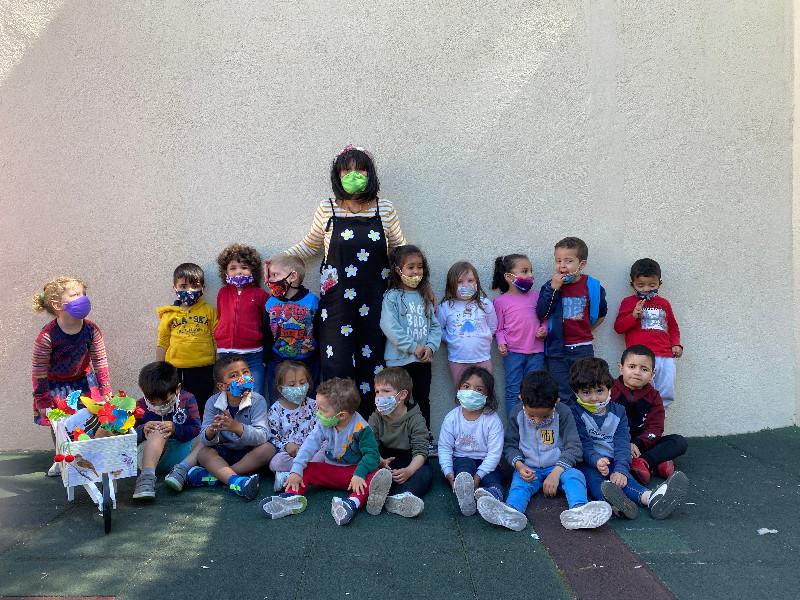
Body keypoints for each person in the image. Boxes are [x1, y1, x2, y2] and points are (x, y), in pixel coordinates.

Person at [280, 145, 406, 406]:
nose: (353, 175)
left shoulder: (385, 209)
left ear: (370, 173)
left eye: (360, 170)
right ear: (337, 175)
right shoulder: (327, 208)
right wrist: (280, 260)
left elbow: (401, 252)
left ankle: (371, 423)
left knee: (374, 364)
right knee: (336, 363)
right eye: (346, 170)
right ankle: (337, 424)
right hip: (337, 306)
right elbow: (310, 245)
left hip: (376, 303)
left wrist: (419, 286)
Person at [477, 371, 612, 531]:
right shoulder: (516, 413)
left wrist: (556, 473)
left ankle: (579, 510)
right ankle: (512, 511)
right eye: (531, 415)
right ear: (521, 400)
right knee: (519, 484)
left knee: (575, 476)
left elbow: (574, 447)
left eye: (544, 416)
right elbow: (510, 446)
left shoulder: (563, 412)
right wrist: (520, 465)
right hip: (529, 468)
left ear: (556, 402)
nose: (537, 421)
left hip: (558, 467)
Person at [569, 357, 688, 520]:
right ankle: (613, 504)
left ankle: (651, 498)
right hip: (588, 461)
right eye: (586, 392)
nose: (594, 398)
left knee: (625, 480)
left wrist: (621, 469)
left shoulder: (618, 411)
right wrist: (596, 460)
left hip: (614, 459)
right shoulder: (574, 412)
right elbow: (582, 444)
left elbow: (622, 443)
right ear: (576, 392)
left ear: (609, 388)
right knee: (594, 480)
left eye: (599, 391)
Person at [259, 377, 383, 526]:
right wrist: (296, 470)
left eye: (322, 410)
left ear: (341, 415)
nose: (318, 413)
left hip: (353, 476)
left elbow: (372, 455)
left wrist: (359, 474)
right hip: (330, 471)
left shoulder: (362, 429)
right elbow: (309, 445)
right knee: (306, 468)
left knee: (374, 475)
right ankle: (291, 497)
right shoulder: (324, 423)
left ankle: (351, 503)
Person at [31, 276, 112, 477]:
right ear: (57, 305)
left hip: (85, 383)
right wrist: (42, 400)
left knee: (88, 419)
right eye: (75, 295)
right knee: (60, 425)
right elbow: (39, 370)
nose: (82, 298)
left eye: (83, 294)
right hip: (56, 387)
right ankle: (61, 458)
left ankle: (85, 456)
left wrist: (105, 389)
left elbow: (100, 360)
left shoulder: (91, 330)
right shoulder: (47, 336)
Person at [184, 354, 275, 501]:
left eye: (245, 372)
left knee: (268, 449)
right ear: (222, 386)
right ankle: (237, 481)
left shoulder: (258, 400)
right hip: (224, 452)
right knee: (203, 452)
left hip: (248, 454)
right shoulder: (212, 402)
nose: (242, 378)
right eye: (234, 375)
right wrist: (211, 431)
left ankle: (221, 477)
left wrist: (237, 427)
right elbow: (204, 439)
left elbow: (263, 435)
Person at [536, 237, 607, 404]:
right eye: (558, 260)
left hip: (583, 349)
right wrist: (554, 289)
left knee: (585, 390)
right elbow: (542, 313)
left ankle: (582, 421)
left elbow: (601, 314)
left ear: (581, 264)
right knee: (562, 393)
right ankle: (566, 421)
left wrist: (586, 330)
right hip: (557, 350)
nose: (562, 266)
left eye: (568, 261)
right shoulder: (550, 286)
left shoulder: (593, 286)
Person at [380, 245, 442, 426]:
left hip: (422, 361)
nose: (416, 271)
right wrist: (414, 347)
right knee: (398, 402)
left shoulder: (424, 296)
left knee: (422, 400)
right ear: (398, 270)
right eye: (411, 267)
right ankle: (399, 438)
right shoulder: (392, 296)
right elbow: (389, 327)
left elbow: (435, 326)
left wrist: (430, 347)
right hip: (398, 362)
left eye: (420, 267)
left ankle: (424, 437)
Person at [611, 345, 688, 484]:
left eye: (644, 369)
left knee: (679, 442)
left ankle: (644, 462)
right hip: (616, 441)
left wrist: (638, 444)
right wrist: (625, 444)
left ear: (653, 374)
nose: (637, 372)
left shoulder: (654, 396)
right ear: (621, 368)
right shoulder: (610, 390)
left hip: (643, 442)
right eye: (632, 367)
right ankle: (659, 464)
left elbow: (656, 427)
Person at [613, 258, 683, 409]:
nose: (646, 289)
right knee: (640, 390)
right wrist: (633, 316)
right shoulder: (628, 302)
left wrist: (676, 344)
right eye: (641, 285)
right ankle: (641, 418)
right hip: (640, 356)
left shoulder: (664, 303)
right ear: (632, 285)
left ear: (659, 284)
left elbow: (673, 326)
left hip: (665, 355)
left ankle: (659, 416)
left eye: (652, 285)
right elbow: (618, 328)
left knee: (666, 390)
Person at [437, 367, 505, 517]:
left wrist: (479, 476)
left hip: (487, 464)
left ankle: (491, 497)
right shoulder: (452, 418)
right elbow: (444, 447)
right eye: (466, 386)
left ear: (487, 395)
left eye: (479, 389)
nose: (471, 392)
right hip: (461, 460)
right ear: (459, 389)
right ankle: (465, 490)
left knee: (493, 480)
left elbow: (494, 454)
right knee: (464, 466)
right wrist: (448, 473)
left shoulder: (493, 420)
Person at [366, 367, 433, 518]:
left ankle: (403, 497)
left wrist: (409, 470)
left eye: (386, 391)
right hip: (384, 459)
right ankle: (377, 495)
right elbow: (370, 443)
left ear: (402, 395)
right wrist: (379, 460)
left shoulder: (415, 418)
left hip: (410, 459)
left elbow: (421, 451)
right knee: (368, 467)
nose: (379, 396)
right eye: (377, 391)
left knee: (425, 473)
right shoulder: (376, 417)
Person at [132, 361, 201, 500]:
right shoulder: (140, 405)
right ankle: (146, 479)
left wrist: (176, 429)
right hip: (151, 459)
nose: (159, 406)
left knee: (206, 436)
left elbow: (196, 429)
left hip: (182, 455)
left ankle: (181, 471)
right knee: (158, 429)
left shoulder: (187, 399)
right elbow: (131, 436)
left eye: (165, 402)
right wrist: (143, 429)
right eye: (152, 402)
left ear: (178, 388)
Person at [155, 263, 217, 414]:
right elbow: (162, 342)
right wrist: (159, 369)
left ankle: (200, 428)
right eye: (183, 286)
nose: (189, 290)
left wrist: (220, 364)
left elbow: (217, 338)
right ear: (175, 288)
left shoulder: (209, 311)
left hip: (204, 368)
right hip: (176, 369)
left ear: (202, 288)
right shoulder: (169, 314)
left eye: (194, 286)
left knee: (202, 405)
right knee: (178, 406)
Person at [492, 254, 547, 415]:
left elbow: (545, 318)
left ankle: (533, 425)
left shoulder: (538, 296)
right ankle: (514, 428)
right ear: (509, 277)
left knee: (535, 391)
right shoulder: (500, 301)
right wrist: (501, 342)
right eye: (525, 271)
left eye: (531, 271)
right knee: (513, 392)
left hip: (536, 353)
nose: (530, 275)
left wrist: (544, 328)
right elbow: (498, 328)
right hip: (513, 354)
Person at [214, 244, 269, 397]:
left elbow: (266, 325)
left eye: (244, 267)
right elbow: (221, 316)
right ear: (225, 272)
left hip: (253, 356)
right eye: (233, 268)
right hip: (226, 354)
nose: (239, 271)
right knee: (229, 396)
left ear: (253, 271)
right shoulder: (222, 293)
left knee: (254, 395)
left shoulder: (261, 295)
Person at [264, 254, 319, 402]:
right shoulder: (270, 303)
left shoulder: (312, 301)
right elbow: (266, 331)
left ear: (293, 276)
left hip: (308, 360)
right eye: (270, 275)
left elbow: (320, 330)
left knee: (309, 400)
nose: (270, 280)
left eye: (275, 275)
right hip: (278, 360)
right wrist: (266, 358)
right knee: (278, 400)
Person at [266, 360, 326, 492]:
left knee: (326, 447)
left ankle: (291, 476)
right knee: (276, 462)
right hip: (290, 455)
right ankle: (308, 474)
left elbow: (322, 430)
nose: (298, 387)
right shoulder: (275, 410)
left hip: (313, 453)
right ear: (280, 388)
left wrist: (312, 447)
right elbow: (273, 437)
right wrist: (286, 445)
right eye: (292, 385)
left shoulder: (314, 405)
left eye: (302, 383)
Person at [437, 260, 497, 389]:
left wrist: (483, 338)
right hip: (457, 359)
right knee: (461, 393)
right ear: (451, 284)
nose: (466, 285)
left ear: (477, 282)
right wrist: (449, 338)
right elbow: (438, 329)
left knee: (484, 391)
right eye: (460, 281)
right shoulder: (445, 307)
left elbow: (492, 327)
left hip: (482, 358)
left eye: (470, 280)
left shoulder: (485, 304)